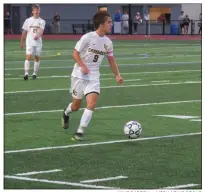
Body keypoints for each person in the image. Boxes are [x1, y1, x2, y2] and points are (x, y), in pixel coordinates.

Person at [62, 11, 123, 141]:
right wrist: (82, 66)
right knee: (75, 106)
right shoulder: (87, 37)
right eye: (109, 22)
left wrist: (117, 75)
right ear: (101, 24)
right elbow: (75, 53)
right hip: (79, 75)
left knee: (91, 103)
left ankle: (80, 131)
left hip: (94, 76)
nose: (111, 24)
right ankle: (66, 113)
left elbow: (111, 60)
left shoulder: (108, 42)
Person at [20, 4, 46, 80]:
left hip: (38, 43)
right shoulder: (27, 20)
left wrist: (37, 36)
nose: (36, 11)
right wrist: (22, 42)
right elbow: (24, 32)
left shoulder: (42, 21)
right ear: (32, 11)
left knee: (37, 57)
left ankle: (35, 73)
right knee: (28, 57)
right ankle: (26, 73)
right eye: (35, 10)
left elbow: (41, 30)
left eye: (38, 10)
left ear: (39, 11)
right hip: (29, 42)